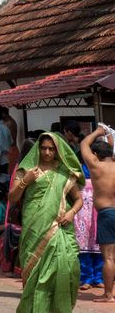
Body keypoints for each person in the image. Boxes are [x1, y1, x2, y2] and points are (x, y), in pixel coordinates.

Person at [10, 131, 83, 311]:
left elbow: (79, 199)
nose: (47, 152)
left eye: (51, 149)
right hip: (33, 228)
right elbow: (12, 198)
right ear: (38, 148)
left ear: (57, 150)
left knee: (67, 266)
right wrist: (25, 181)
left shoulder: (64, 171)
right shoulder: (27, 170)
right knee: (33, 271)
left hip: (59, 227)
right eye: (43, 148)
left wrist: (71, 212)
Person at [79, 127, 115, 299]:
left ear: (95, 154)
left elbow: (83, 144)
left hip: (107, 214)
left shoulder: (95, 166)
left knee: (108, 257)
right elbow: (110, 151)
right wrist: (108, 135)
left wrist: (98, 131)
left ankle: (108, 295)